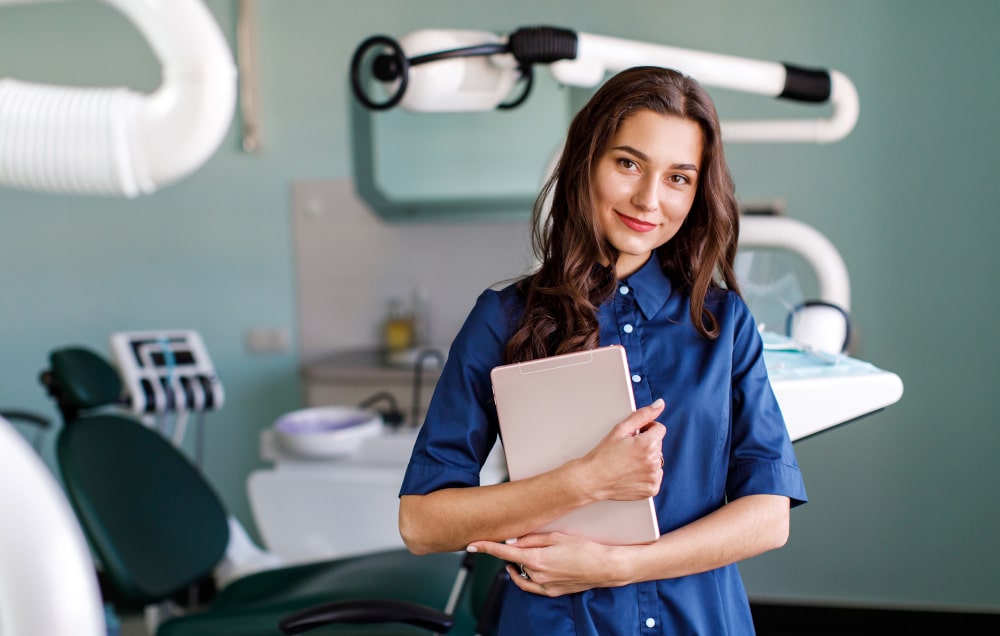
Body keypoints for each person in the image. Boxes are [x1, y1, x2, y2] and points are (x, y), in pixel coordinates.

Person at [398, 65, 807, 635]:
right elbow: (422, 523)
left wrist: (619, 566)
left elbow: (768, 518)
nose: (648, 199)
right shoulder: (504, 320)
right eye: (628, 163)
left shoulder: (723, 324)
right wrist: (583, 480)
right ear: (587, 160)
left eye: (678, 178)